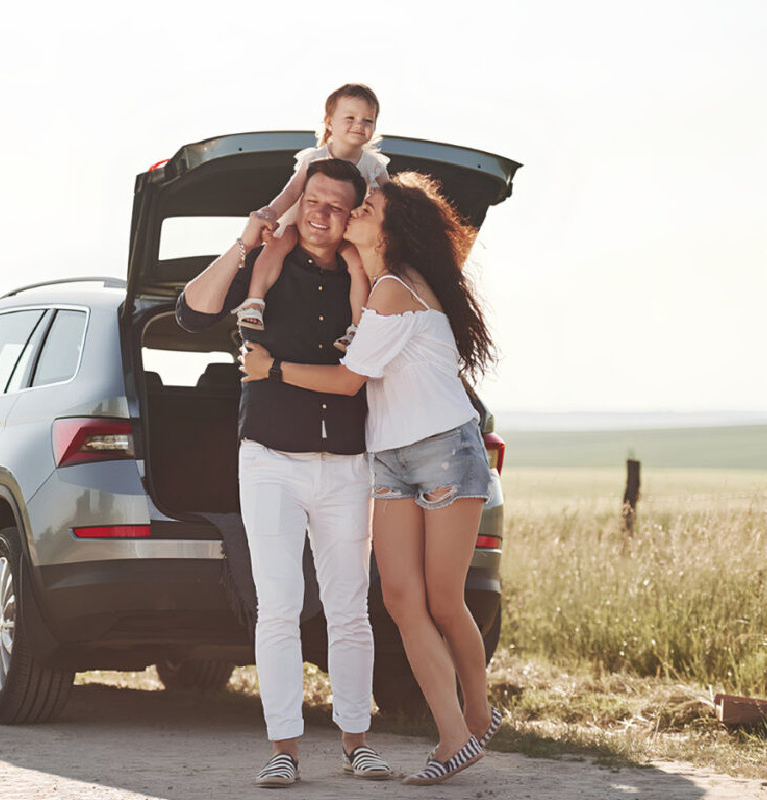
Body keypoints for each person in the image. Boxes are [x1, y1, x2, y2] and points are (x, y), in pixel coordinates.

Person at [241, 172, 504, 786]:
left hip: (443, 450)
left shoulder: (395, 289)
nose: (353, 212)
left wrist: (271, 369)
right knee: (401, 600)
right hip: (389, 457)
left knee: (442, 600)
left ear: (391, 226)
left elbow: (347, 381)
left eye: (366, 207)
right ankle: (459, 732)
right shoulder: (379, 283)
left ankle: (472, 719)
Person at [176, 157, 392, 787]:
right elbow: (193, 313)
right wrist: (248, 238)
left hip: (347, 463)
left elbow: (361, 378)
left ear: (352, 215)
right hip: (270, 460)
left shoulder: (367, 276)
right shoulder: (266, 265)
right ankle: (284, 750)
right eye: (314, 201)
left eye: (337, 206)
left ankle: (357, 743)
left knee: (350, 608)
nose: (322, 215)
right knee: (278, 606)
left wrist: (274, 370)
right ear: (302, 202)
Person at [235, 83, 390, 353]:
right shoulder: (315, 158)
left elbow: (392, 200)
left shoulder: (373, 165)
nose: (359, 125)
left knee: (357, 265)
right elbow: (291, 192)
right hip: (301, 225)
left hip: (340, 230)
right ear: (329, 122)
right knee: (278, 245)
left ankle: (357, 327)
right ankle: (255, 301)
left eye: (368, 120)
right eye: (350, 118)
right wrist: (270, 214)